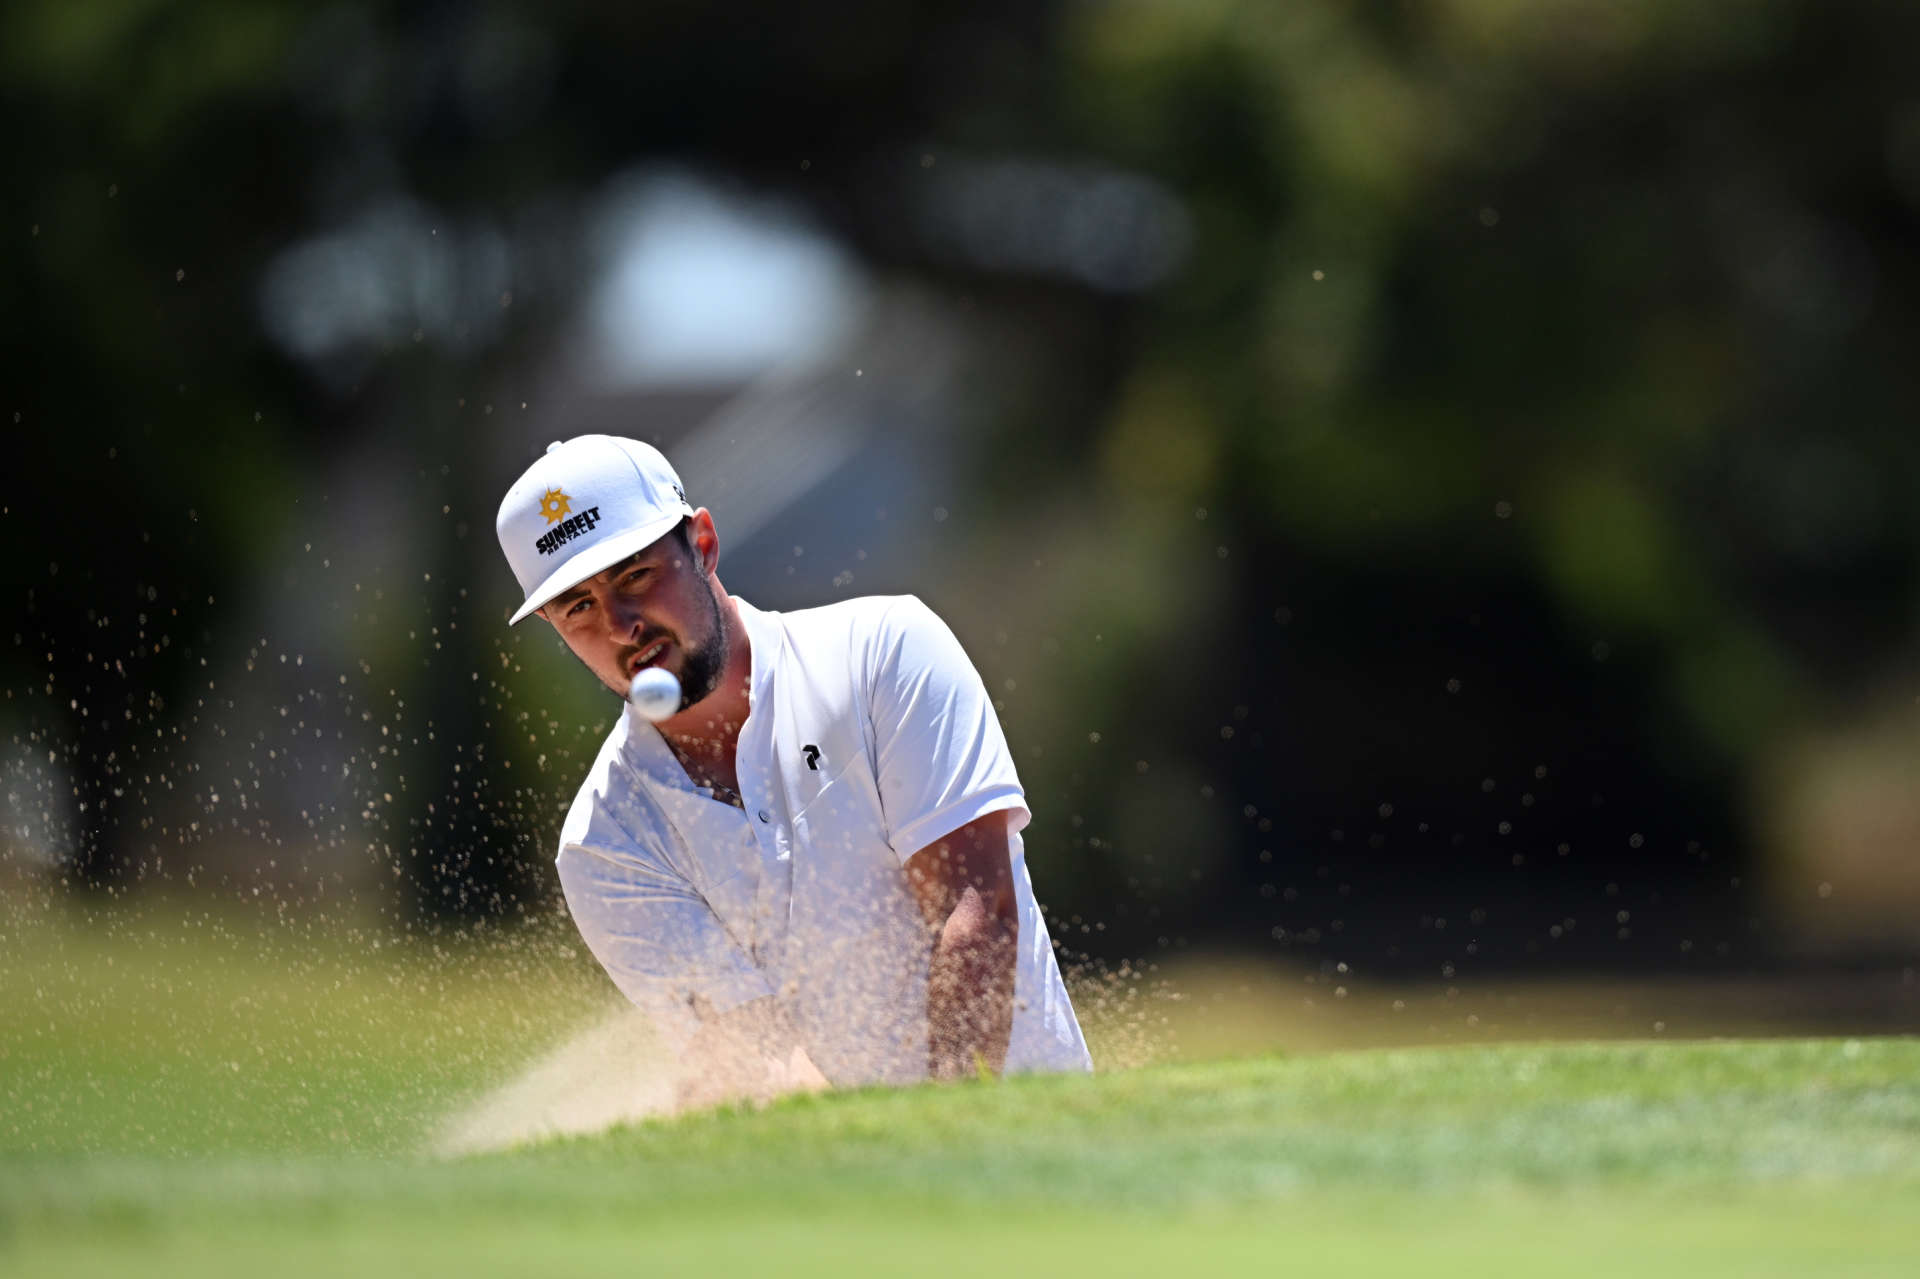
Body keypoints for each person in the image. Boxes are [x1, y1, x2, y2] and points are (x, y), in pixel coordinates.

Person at [495, 434, 1091, 1108]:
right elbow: (758, 1055)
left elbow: (974, 915)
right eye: (579, 607)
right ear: (552, 624)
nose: (623, 625)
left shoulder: (883, 652)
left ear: (704, 544)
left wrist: (946, 1134)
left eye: (635, 576)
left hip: (1044, 1167)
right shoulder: (603, 844)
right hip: (855, 1201)